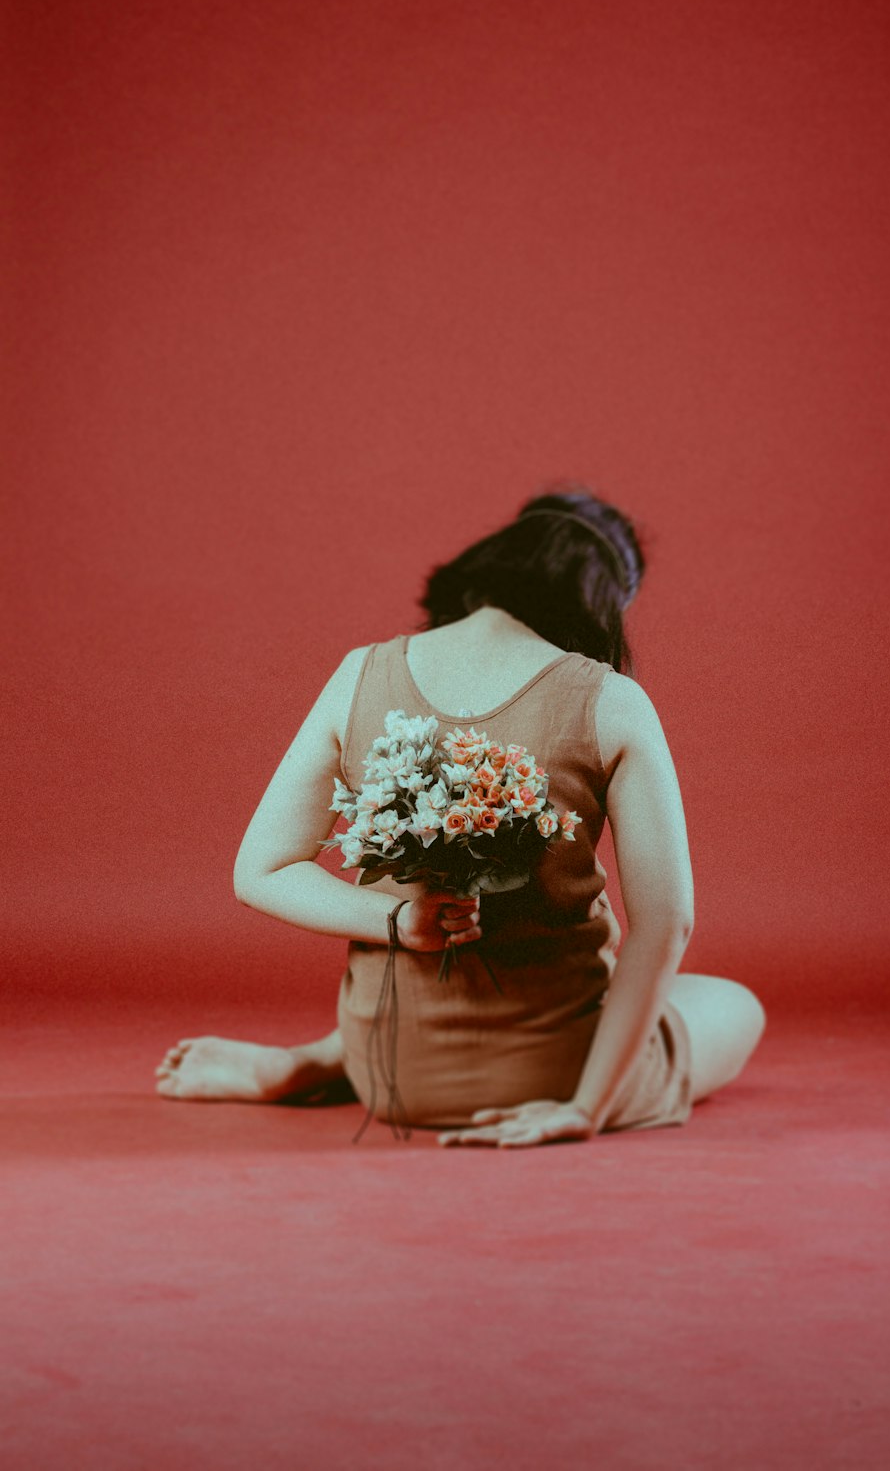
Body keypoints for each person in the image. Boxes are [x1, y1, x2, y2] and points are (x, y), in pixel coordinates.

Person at [156, 488, 766, 1147]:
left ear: (489, 563)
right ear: (606, 603)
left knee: (611, 945)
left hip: (388, 1068)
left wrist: (397, 920)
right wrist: (582, 1110)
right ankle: (589, 1087)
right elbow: (668, 923)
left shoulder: (361, 672)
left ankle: (322, 1059)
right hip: (551, 1074)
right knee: (733, 1004)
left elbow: (261, 871)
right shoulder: (612, 701)